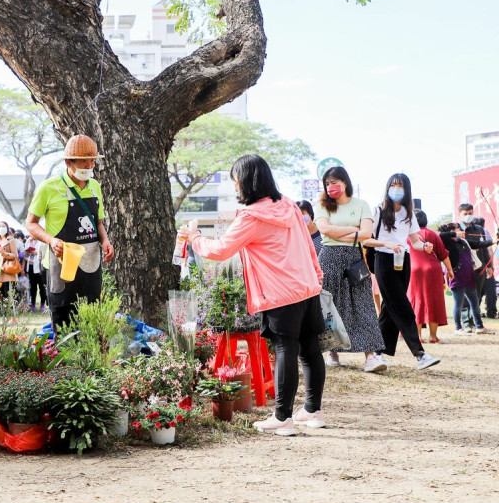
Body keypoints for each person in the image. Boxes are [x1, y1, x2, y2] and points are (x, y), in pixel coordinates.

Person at [182, 154, 325, 436]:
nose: (235, 186)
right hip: (307, 286)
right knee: (309, 350)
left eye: (236, 180)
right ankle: (312, 410)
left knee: (286, 349)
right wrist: (316, 276)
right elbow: (308, 244)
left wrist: (193, 237)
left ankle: (283, 417)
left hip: (281, 293)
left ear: (246, 182)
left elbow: (220, 249)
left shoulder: (252, 216)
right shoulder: (288, 205)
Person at [26, 134, 115, 332]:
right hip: (61, 265)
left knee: (91, 322)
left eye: (92, 160)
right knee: (63, 321)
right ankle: (66, 362)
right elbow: (30, 224)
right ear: (69, 162)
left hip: (91, 263)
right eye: (84, 160)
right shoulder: (49, 187)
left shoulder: (95, 187)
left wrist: (106, 240)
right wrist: (50, 240)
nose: (89, 165)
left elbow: (98, 222)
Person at [314, 166, 386, 372]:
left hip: (354, 258)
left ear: (345, 183)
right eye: (327, 183)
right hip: (328, 258)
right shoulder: (322, 206)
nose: (331, 187)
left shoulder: (361, 204)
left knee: (363, 304)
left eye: (334, 182)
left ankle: (371, 356)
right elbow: (325, 230)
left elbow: (367, 233)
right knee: (330, 305)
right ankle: (332, 352)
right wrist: (354, 230)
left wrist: (344, 234)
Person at [369, 174, 440, 370]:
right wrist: (387, 244)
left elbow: (414, 240)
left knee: (389, 307)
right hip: (383, 258)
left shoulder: (409, 214)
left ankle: (376, 352)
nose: (396, 188)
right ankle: (419, 353)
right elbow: (366, 239)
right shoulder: (378, 211)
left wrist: (424, 245)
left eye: (400, 185)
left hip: (403, 260)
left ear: (407, 189)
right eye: (393, 185)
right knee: (401, 305)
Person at [407, 210, 453, 343]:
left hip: (413, 270)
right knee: (434, 301)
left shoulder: (407, 235)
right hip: (433, 270)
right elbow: (443, 255)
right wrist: (450, 270)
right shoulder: (432, 234)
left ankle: (418, 336)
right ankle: (433, 336)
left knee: (415, 301)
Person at [437, 223, 487, 335]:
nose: (461, 230)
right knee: (458, 303)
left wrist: (493, 241)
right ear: (452, 231)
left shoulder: (463, 242)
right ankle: (458, 328)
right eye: (457, 228)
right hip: (456, 276)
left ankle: (479, 326)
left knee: (475, 302)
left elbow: (478, 243)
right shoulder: (447, 242)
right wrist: (455, 234)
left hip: (468, 277)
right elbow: (441, 235)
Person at [457, 204, 493, 325]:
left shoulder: (478, 228)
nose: (468, 216)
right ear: (460, 214)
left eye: (470, 213)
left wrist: (488, 266)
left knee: (477, 294)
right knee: (465, 296)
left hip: (479, 266)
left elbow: (483, 248)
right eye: (465, 214)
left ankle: (474, 321)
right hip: (463, 267)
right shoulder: (457, 229)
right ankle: (466, 322)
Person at [0, 221, 19, 299]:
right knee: (0, 297)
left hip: (8, 273)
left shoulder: (11, 240)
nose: (1, 228)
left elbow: (15, 256)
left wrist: (4, 253)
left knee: (9, 297)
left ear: (7, 228)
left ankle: (10, 311)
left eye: (3, 226)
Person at [24, 235, 47, 312]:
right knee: (33, 287)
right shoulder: (28, 241)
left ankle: (43, 304)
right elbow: (25, 254)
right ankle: (33, 304)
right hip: (30, 266)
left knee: (42, 287)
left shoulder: (41, 241)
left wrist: (34, 252)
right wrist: (28, 254)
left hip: (39, 267)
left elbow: (41, 253)